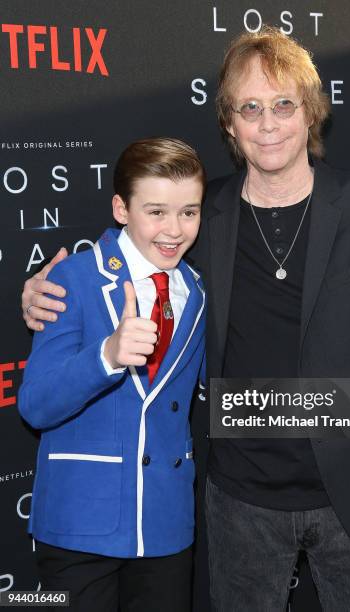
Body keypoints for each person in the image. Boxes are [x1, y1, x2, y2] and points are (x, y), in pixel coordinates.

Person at [22, 28, 350, 612]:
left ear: (312, 113)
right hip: (242, 501)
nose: (269, 123)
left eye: (284, 104)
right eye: (249, 108)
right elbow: (124, 256)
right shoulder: (203, 218)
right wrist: (44, 291)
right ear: (229, 124)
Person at [19, 137, 206, 612]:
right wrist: (107, 355)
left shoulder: (198, 291)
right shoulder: (73, 279)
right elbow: (36, 405)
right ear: (121, 208)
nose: (174, 230)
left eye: (189, 212)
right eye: (156, 211)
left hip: (166, 527)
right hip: (80, 525)